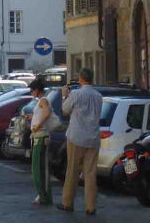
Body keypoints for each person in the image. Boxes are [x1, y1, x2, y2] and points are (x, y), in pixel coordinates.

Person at [58, 67, 103, 215]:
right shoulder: (98, 96)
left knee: (72, 170)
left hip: (76, 136)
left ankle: (67, 202)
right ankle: (90, 206)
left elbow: (65, 110)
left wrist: (64, 96)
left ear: (81, 78)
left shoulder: (76, 94)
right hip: (93, 137)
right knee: (90, 173)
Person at [29, 77, 54, 205]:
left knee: (39, 169)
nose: (31, 93)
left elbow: (46, 112)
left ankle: (43, 195)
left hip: (41, 136)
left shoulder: (43, 100)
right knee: (38, 168)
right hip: (39, 136)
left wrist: (37, 125)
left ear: (37, 90)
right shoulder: (42, 100)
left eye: (32, 90)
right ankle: (42, 194)